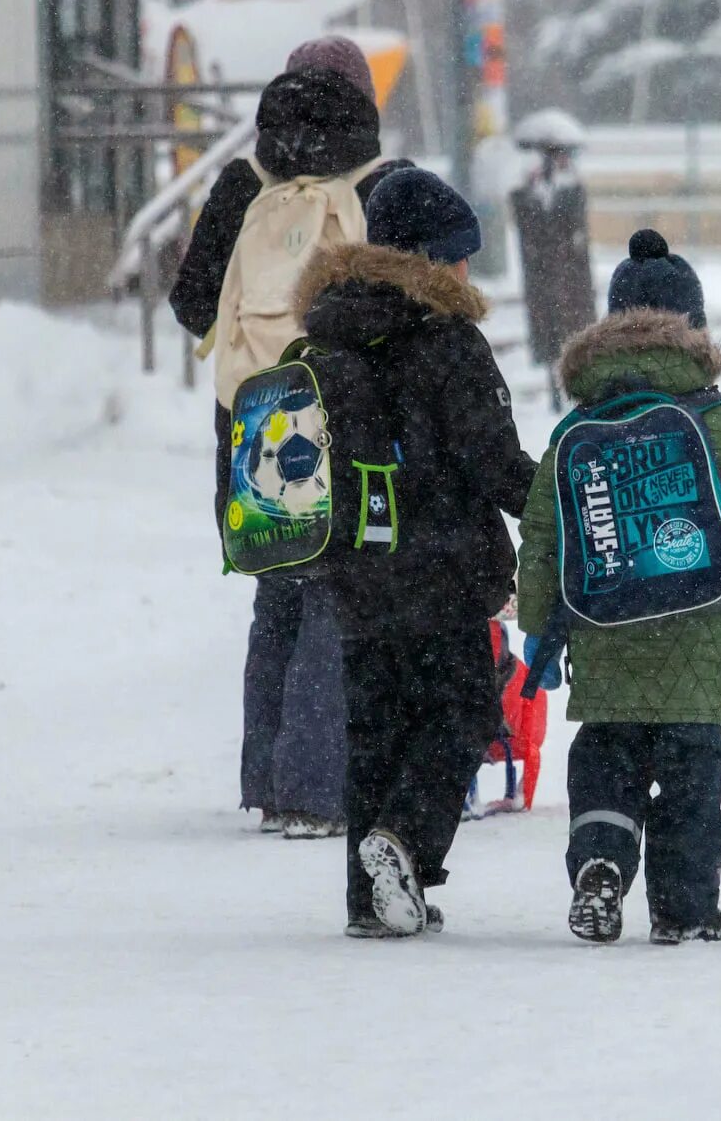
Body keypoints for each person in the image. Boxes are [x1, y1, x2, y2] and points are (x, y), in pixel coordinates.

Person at [516, 230, 721, 945]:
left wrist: (541, 630)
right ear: (693, 329)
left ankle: (601, 859)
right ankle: (684, 905)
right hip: (697, 637)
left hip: (604, 632)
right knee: (692, 777)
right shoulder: (720, 420)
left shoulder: (579, 425)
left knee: (606, 760)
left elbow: (547, 536)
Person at [169, 36, 410, 837]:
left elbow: (191, 301)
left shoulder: (243, 183)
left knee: (277, 584)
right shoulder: (376, 187)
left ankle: (267, 778)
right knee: (333, 587)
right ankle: (312, 788)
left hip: (248, 415)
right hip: (336, 407)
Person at [292, 166, 537, 938]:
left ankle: (370, 902)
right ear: (433, 260)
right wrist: (557, 502)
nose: (466, 270)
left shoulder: (329, 335)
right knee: (462, 710)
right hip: (442, 569)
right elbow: (492, 460)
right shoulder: (446, 342)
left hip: (355, 571)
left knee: (376, 729)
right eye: (458, 255)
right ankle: (402, 840)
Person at [510, 110, 598, 410]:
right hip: (543, 279)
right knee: (550, 336)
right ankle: (555, 393)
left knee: (577, 337)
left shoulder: (573, 191)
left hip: (571, 282)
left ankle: (574, 391)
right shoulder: (525, 194)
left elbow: (576, 234)